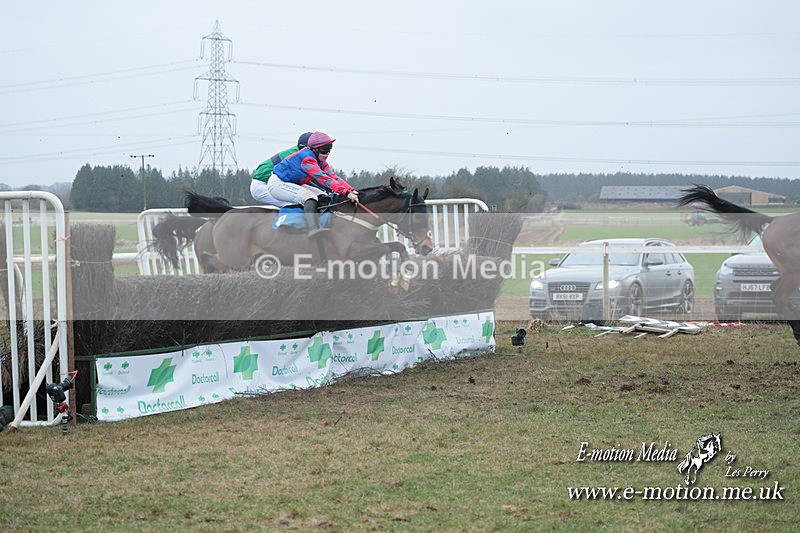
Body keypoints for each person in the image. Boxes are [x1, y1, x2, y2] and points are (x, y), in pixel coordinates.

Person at [269, 131, 359, 239]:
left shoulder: (321, 162)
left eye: (329, 149)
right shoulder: (307, 159)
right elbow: (323, 179)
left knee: (322, 196)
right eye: (324, 150)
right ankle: (312, 229)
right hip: (278, 184)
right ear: (314, 149)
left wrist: (351, 189)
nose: (327, 153)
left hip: (291, 182)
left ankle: (319, 222)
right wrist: (345, 192)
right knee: (310, 197)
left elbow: (334, 177)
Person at [250, 132, 313, 206]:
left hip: (271, 182)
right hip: (262, 185)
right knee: (298, 203)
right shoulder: (299, 156)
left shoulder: (300, 152)